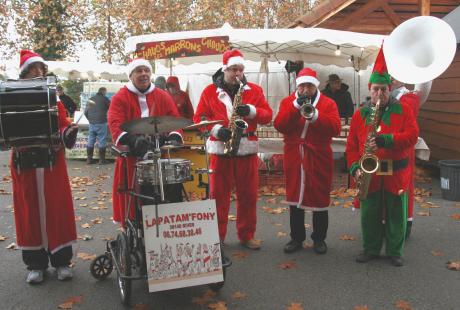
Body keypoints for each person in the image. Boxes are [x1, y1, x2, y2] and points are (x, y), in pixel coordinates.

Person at [346, 47, 418, 266]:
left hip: (396, 171)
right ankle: (371, 248)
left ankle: (395, 251)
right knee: (370, 213)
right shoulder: (361, 114)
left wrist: (386, 140)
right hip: (371, 173)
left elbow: (412, 136)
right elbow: (351, 146)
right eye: (376, 89)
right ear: (370, 89)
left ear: (390, 89)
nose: (379, 94)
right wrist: (354, 168)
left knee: (397, 212)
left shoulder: (404, 109)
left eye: (383, 90)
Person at [193, 49, 272, 250]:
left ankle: (246, 235)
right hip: (220, 150)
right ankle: (217, 236)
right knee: (218, 196)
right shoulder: (209, 92)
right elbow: (199, 119)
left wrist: (252, 111)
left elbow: (267, 115)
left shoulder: (254, 90)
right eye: (233, 69)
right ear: (224, 69)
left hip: (247, 149)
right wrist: (217, 130)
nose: (237, 73)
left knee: (248, 195)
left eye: (240, 69)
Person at [12, 50, 79, 283]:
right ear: (24, 73)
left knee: (56, 208)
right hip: (25, 163)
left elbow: (62, 124)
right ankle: (35, 264)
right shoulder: (10, 96)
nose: (39, 72)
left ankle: (61, 261)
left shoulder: (53, 96)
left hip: (51, 162)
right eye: (33, 69)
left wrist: (67, 132)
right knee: (29, 211)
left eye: (41, 68)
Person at [108, 58, 184, 226]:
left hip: (159, 155)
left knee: (165, 195)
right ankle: (134, 229)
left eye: (146, 71)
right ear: (131, 75)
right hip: (132, 160)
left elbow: (174, 119)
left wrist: (174, 135)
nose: (143, 74)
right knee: (134, 204)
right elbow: (115, 124)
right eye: (138, 71)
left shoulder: (162, 95)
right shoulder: (120, 97)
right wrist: (132, 140)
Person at [274, 68, 341, 254]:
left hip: (318, 155)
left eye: (309, 86)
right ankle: (296, 238)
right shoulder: (288, 102)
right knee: (295, 197)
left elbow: (335, 128)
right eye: (302, 85)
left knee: (319, 196)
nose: (305, 90)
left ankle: (319, 239)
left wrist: (316, 117)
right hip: (295, 154)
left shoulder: (328, 103)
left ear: (315, 86)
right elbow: (280, 125)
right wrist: (295, 108)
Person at [391, 77, 432, 238]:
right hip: (386, 150)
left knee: (403, 186)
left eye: (395, 77)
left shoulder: (410, 97)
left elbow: (402, 117)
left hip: (402, 150)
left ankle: (404, 224)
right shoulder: (387, 94)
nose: (392, 80)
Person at [85, 87, 111, 164]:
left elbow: (85, 111)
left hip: (92, 123)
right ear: (104, 92)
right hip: (101, 122)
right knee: (102, 139)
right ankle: (102, 160)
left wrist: (90, 119)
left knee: (90, 140)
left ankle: (89, 159)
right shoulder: (105, 99)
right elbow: (112, 109)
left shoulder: (91, 99)